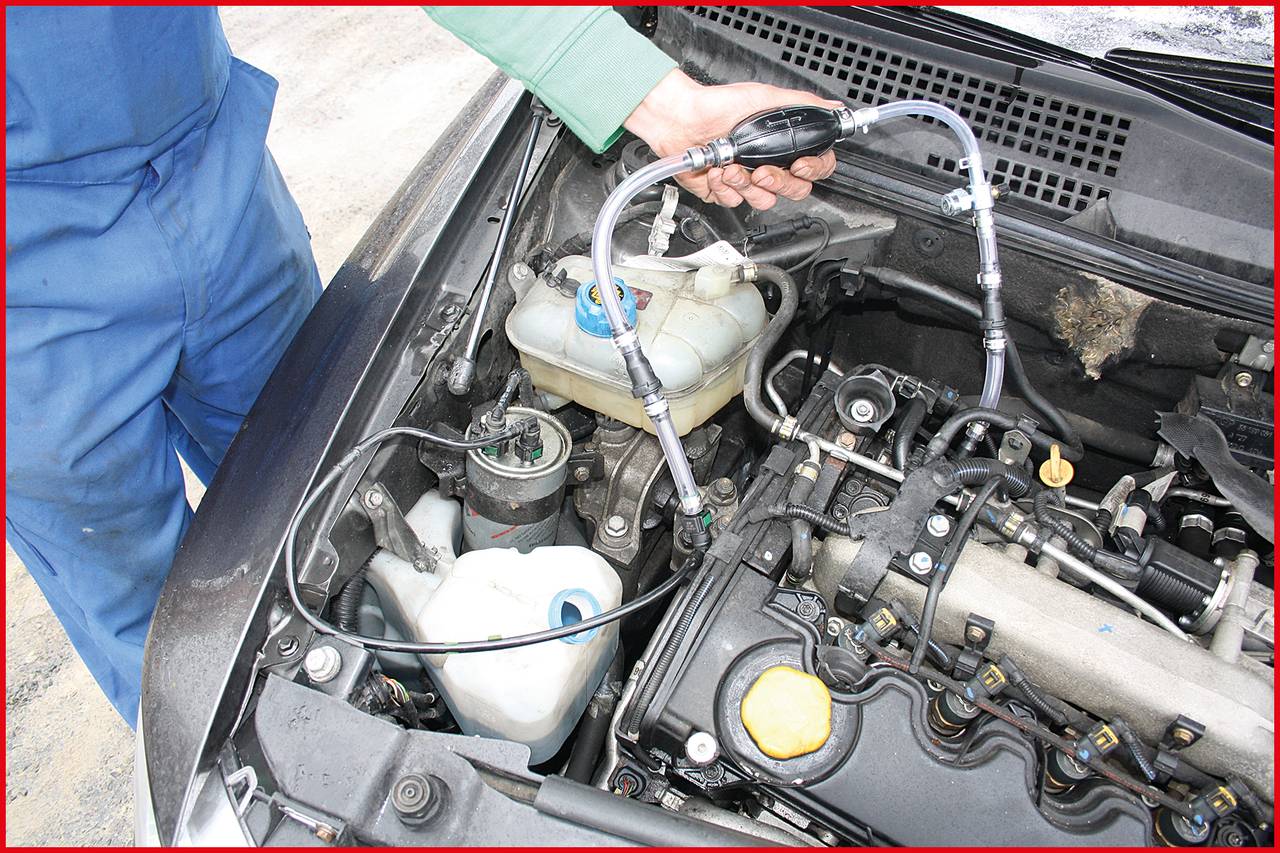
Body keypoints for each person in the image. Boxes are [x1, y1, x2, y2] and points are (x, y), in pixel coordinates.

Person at [4, 6, 837, 728]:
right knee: (156, 621)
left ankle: (375, 677)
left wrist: (659, 99)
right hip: (23, 260)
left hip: (209, 170)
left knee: (326, 491)